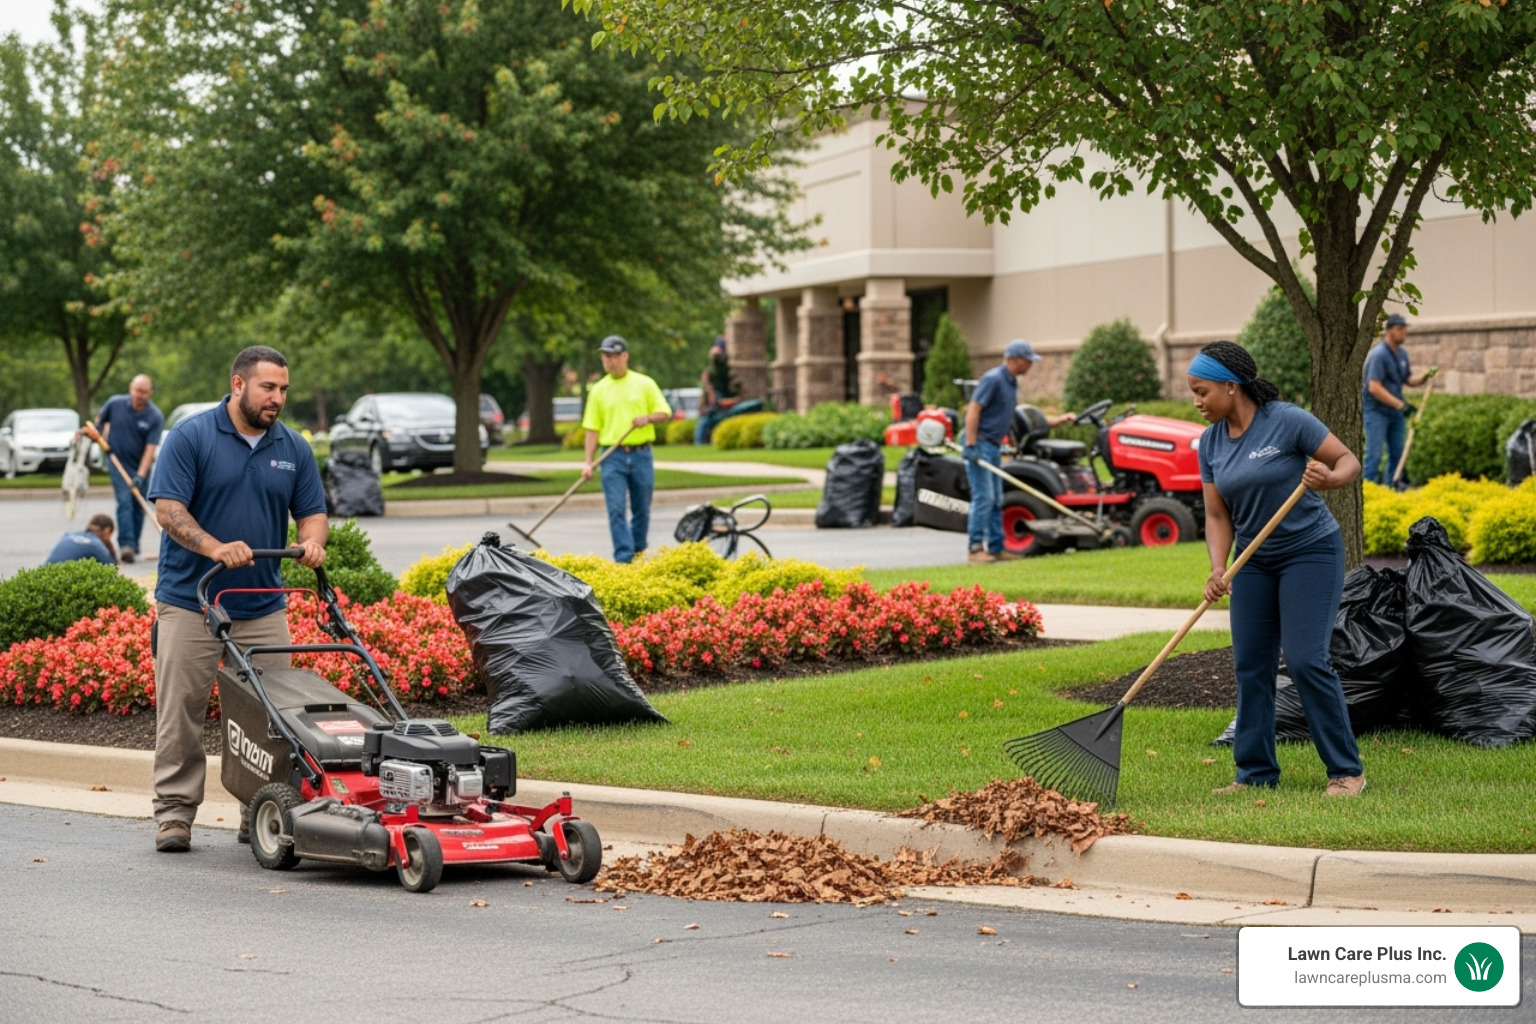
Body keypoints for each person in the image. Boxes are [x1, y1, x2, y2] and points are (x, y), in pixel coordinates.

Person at [145, 346, 328, 852]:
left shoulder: (292, 446)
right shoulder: (193, 437)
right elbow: (168, 511)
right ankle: (175, 815)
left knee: (273, 715)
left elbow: (312, 511)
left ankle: (259, 808)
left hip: (263, 603)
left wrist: (313, 541)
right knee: (180, 709)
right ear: (238, 384)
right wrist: (214, 548)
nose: (277, 398)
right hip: (191, 601)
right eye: (269, 388)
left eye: (284, 389)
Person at [1190, 340, 1366, 798]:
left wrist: (1330, 478)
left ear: (1231, 387)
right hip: (1254, 560)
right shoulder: (1209, 444)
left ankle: (1347, 771)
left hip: (1310, 551)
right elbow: (1216, 515)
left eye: (1202, 391)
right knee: (1251, 665)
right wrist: (1217, 567)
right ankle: (1254, 773)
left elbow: (1348, 460)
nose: (1197, 401)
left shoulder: (1286, 421)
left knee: (1308, 660)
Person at [962, 339, 1072, 564]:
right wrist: (971, 444)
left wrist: (1056, 421)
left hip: (993, 446)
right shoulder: (993, 379)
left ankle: (995, 548)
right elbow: (974, 409)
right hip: (980, 444)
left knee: (997, 499)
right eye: (1027, 360)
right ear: (1014, 360)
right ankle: (975, 550)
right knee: (984, 498)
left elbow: (1015, 416)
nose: (1030, 364)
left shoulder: (1011, 383)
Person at [579, 335, 671, 563]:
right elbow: (592, 429)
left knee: (642, 509)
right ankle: (624, 558)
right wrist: (588, 462)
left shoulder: (644, 383)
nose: (608, 361)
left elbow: (665, 413)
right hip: (612, 456)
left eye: (612, 356)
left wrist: (647, 418)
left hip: (641, 454)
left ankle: (638, 553)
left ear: (624, 356)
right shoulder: (599, 390)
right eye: (605, 356)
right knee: (616, 508)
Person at [94, 374, 164, 563]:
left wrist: (140, 475)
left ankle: (134, 545)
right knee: (125, 502)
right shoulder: (115, 403)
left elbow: (150, 449)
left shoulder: (154, 416)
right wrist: (96, 432)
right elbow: (99, 422)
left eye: (143, 391)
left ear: (150, 393)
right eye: (136, 390)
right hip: (117, 462)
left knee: (138, 505)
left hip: (141, 466)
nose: (138, 394)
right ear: (130, 388)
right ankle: (126, 546)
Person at [1361, 313, 1437, 486]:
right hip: (1376, 412)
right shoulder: (1378, 355)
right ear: (1389, 331)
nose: (1404, 332)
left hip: (1395, 413)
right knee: (1375, 454)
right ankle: (1369, 491)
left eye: (1405, 329)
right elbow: (1374, 387)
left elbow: (1408, 380)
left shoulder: (1401, 354)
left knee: (1397, 452)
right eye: (1400, 329)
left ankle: (1392, 487)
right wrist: (1402, 405)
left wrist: (1425, 376)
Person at [694, 336, 741, 444]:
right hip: (712, 406)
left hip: (717, 404)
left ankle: (701, 441)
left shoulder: (721, 374)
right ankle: (700, 442)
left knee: (706, 421)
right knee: (705, 421)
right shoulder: (711, 374)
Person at [44, 514, 117, 566]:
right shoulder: (96, 545)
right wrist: (109, 546)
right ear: (107, 531)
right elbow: (113, 567)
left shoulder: (68, 534)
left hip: (45, 575)